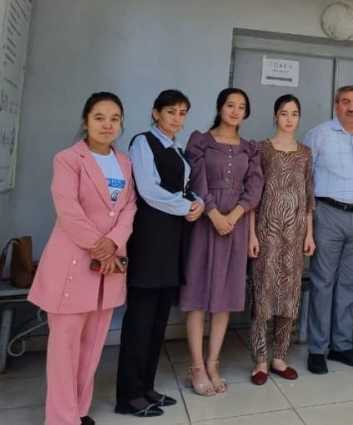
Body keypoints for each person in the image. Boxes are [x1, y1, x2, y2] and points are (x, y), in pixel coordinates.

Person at [29, 92, 136, 425]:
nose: (107, 125)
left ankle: (79, 411)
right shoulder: (68, 159)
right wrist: (100, 245)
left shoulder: (124, 163)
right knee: (65, 350)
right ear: (85, 121)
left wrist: (114, 242)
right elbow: (68, 209)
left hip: (109, 266)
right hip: (74, 264)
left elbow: (129, 207)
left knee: (92, 348)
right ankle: (61, 419)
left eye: (114, 118)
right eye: (100, 117)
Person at [116, 90, 203, 418]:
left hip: (172, 241)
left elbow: (182, 187)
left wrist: (199, 202)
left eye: (182, 113)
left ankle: (146, 387)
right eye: (170, 112)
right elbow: (149, 190)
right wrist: (186, 206)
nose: (177, 118)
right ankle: (128, 395)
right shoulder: (143, 142)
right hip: (151, 238)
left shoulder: (175, 149)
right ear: (155, 113)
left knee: (158, 320)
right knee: (140, 319)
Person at [180, 88, 263, 395]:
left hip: (236, 224)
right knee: (198, 294)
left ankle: (213, 363)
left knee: (226, 295)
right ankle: (196, 366)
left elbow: (255, 186)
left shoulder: (250, 148)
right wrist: (214, 214)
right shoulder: (200, 140)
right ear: (219, 107)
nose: (235, 110)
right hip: (205, 221)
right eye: (230, 105)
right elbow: (196, 180)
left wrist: (236, 214)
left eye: (241, 106)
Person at [303, 85, 353, 374]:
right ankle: (317, 349)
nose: (351, 107)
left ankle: (341, 345)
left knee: (349, 283)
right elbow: (305, 180)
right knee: (323, 282)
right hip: (327, 213)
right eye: (345, 102)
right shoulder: (319, 134)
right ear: (336, 105)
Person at [249, 94, 316, 384]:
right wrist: (251, 233)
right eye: (284, 113)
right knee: (263, 293)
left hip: (295, 233)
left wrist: (309, 233)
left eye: (294, 113)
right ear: (275, 116)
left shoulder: (305, 153)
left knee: (289, 296)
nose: (289, 118)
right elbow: (253, 196)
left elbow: (309, 194)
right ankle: (260, 360)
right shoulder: (260, 149)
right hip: (266, 232)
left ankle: (279, 356)